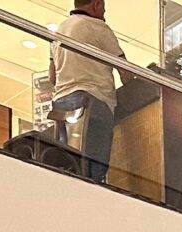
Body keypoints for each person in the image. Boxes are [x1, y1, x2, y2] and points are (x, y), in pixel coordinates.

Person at [50, 0, 127, 184]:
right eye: (104, 9)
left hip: (61, 102)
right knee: (95, 165)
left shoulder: (59, 31)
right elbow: (125, 71)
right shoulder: (99, 27)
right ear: (96, 5)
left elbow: (52, 76)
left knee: (69, 162)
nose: (104, 14)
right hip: (93, 99)